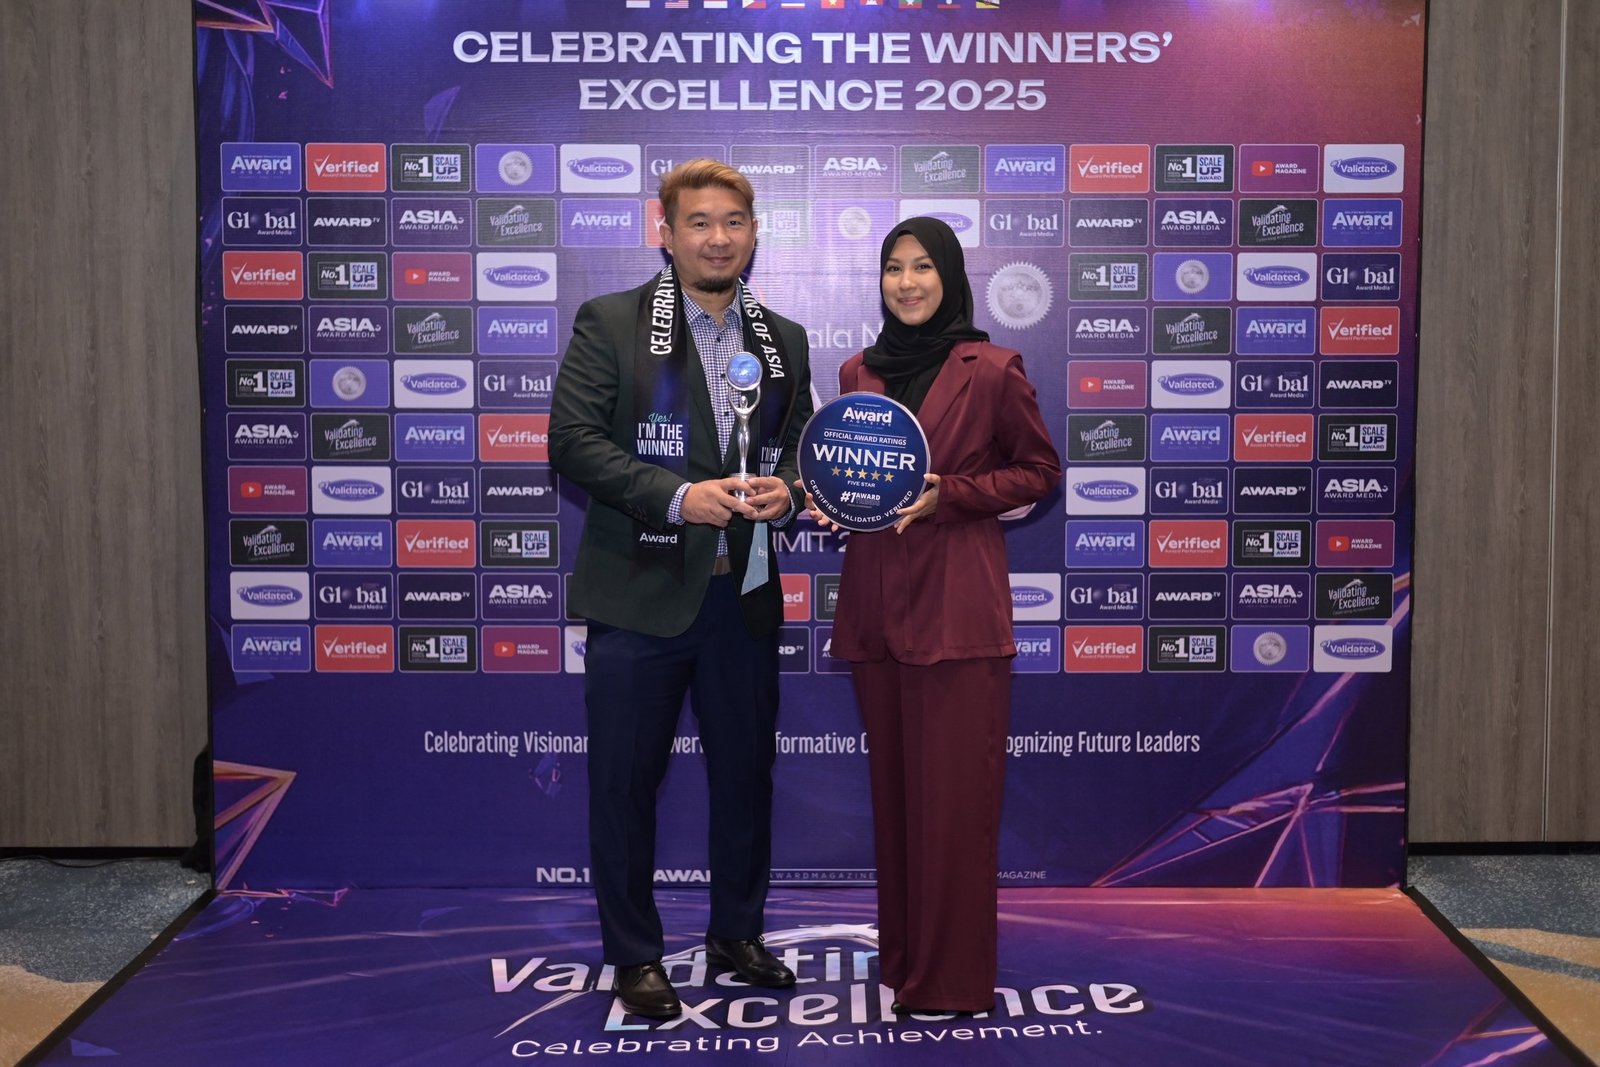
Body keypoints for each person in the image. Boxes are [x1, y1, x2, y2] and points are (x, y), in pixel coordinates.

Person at [549, 159, 813, 1019]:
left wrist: (789, 491)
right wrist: (676, 495)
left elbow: (796, 446)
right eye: (698, 222)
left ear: (754, 232)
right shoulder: (610, 321)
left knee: (745, 778)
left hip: (744, 596)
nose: (717, 238)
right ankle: (634, 953)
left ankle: (737, 931)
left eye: (733, 221)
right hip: (640, 595)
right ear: (664, 233)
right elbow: (572, 441)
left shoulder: (784, 338)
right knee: (625, 784)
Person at [802, 216, 1060, 1014]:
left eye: (922, 267)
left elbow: (1039, 471)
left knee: (953, 808)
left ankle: (950, 980)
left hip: (958, 612)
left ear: (948, 276)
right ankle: (905, 961)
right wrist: (840, 502)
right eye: (893, 268)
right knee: (897, 804)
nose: (906, 282)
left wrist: (951, 494)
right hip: (876, 607)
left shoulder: (994, 368)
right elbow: (865, 480)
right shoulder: (857, 371)